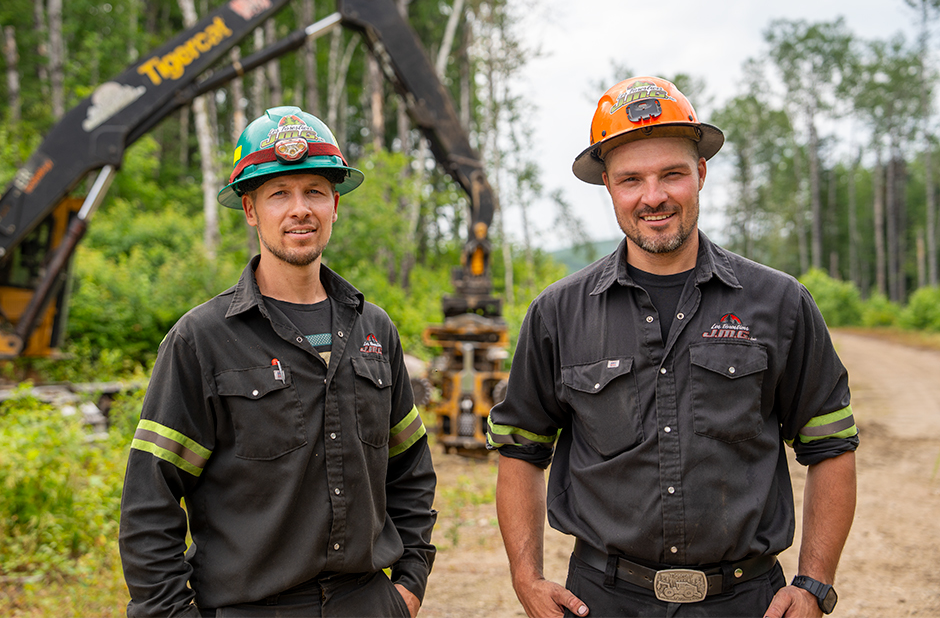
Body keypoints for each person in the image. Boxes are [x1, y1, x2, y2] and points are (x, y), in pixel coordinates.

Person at [487, 77, 858, 618]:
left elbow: (831, 444)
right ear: (609, 188)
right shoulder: (557, 314)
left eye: (672, 174)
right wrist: (527, 579)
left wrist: (815, 583)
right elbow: (521, 449)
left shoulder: (779, 303)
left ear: (701, 174)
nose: (653, 196)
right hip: (602, 600)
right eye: (631, 179)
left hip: (746, 602)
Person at [119, 106, 437, 617]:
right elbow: (150, 501)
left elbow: (411, 469)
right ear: (250, 210)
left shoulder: (374, 329)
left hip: (368, 603)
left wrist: (409, 584)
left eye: (314, 191)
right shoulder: (201, 339)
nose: (299, 209)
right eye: (278, 194)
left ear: (335, 204)